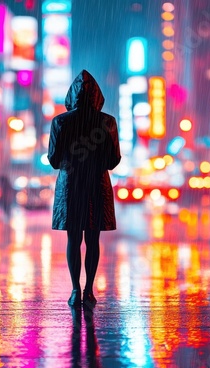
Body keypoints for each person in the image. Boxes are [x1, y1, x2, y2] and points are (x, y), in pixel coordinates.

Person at [48, 70, 121, 309]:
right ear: (97, 96)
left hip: (71, 185)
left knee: (73, 238)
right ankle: (89, 290)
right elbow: (113, 160)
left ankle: (74, 290)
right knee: (93, 238)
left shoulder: (60, 122)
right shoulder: (107, 122)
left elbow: (54, 159)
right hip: (96, 185)